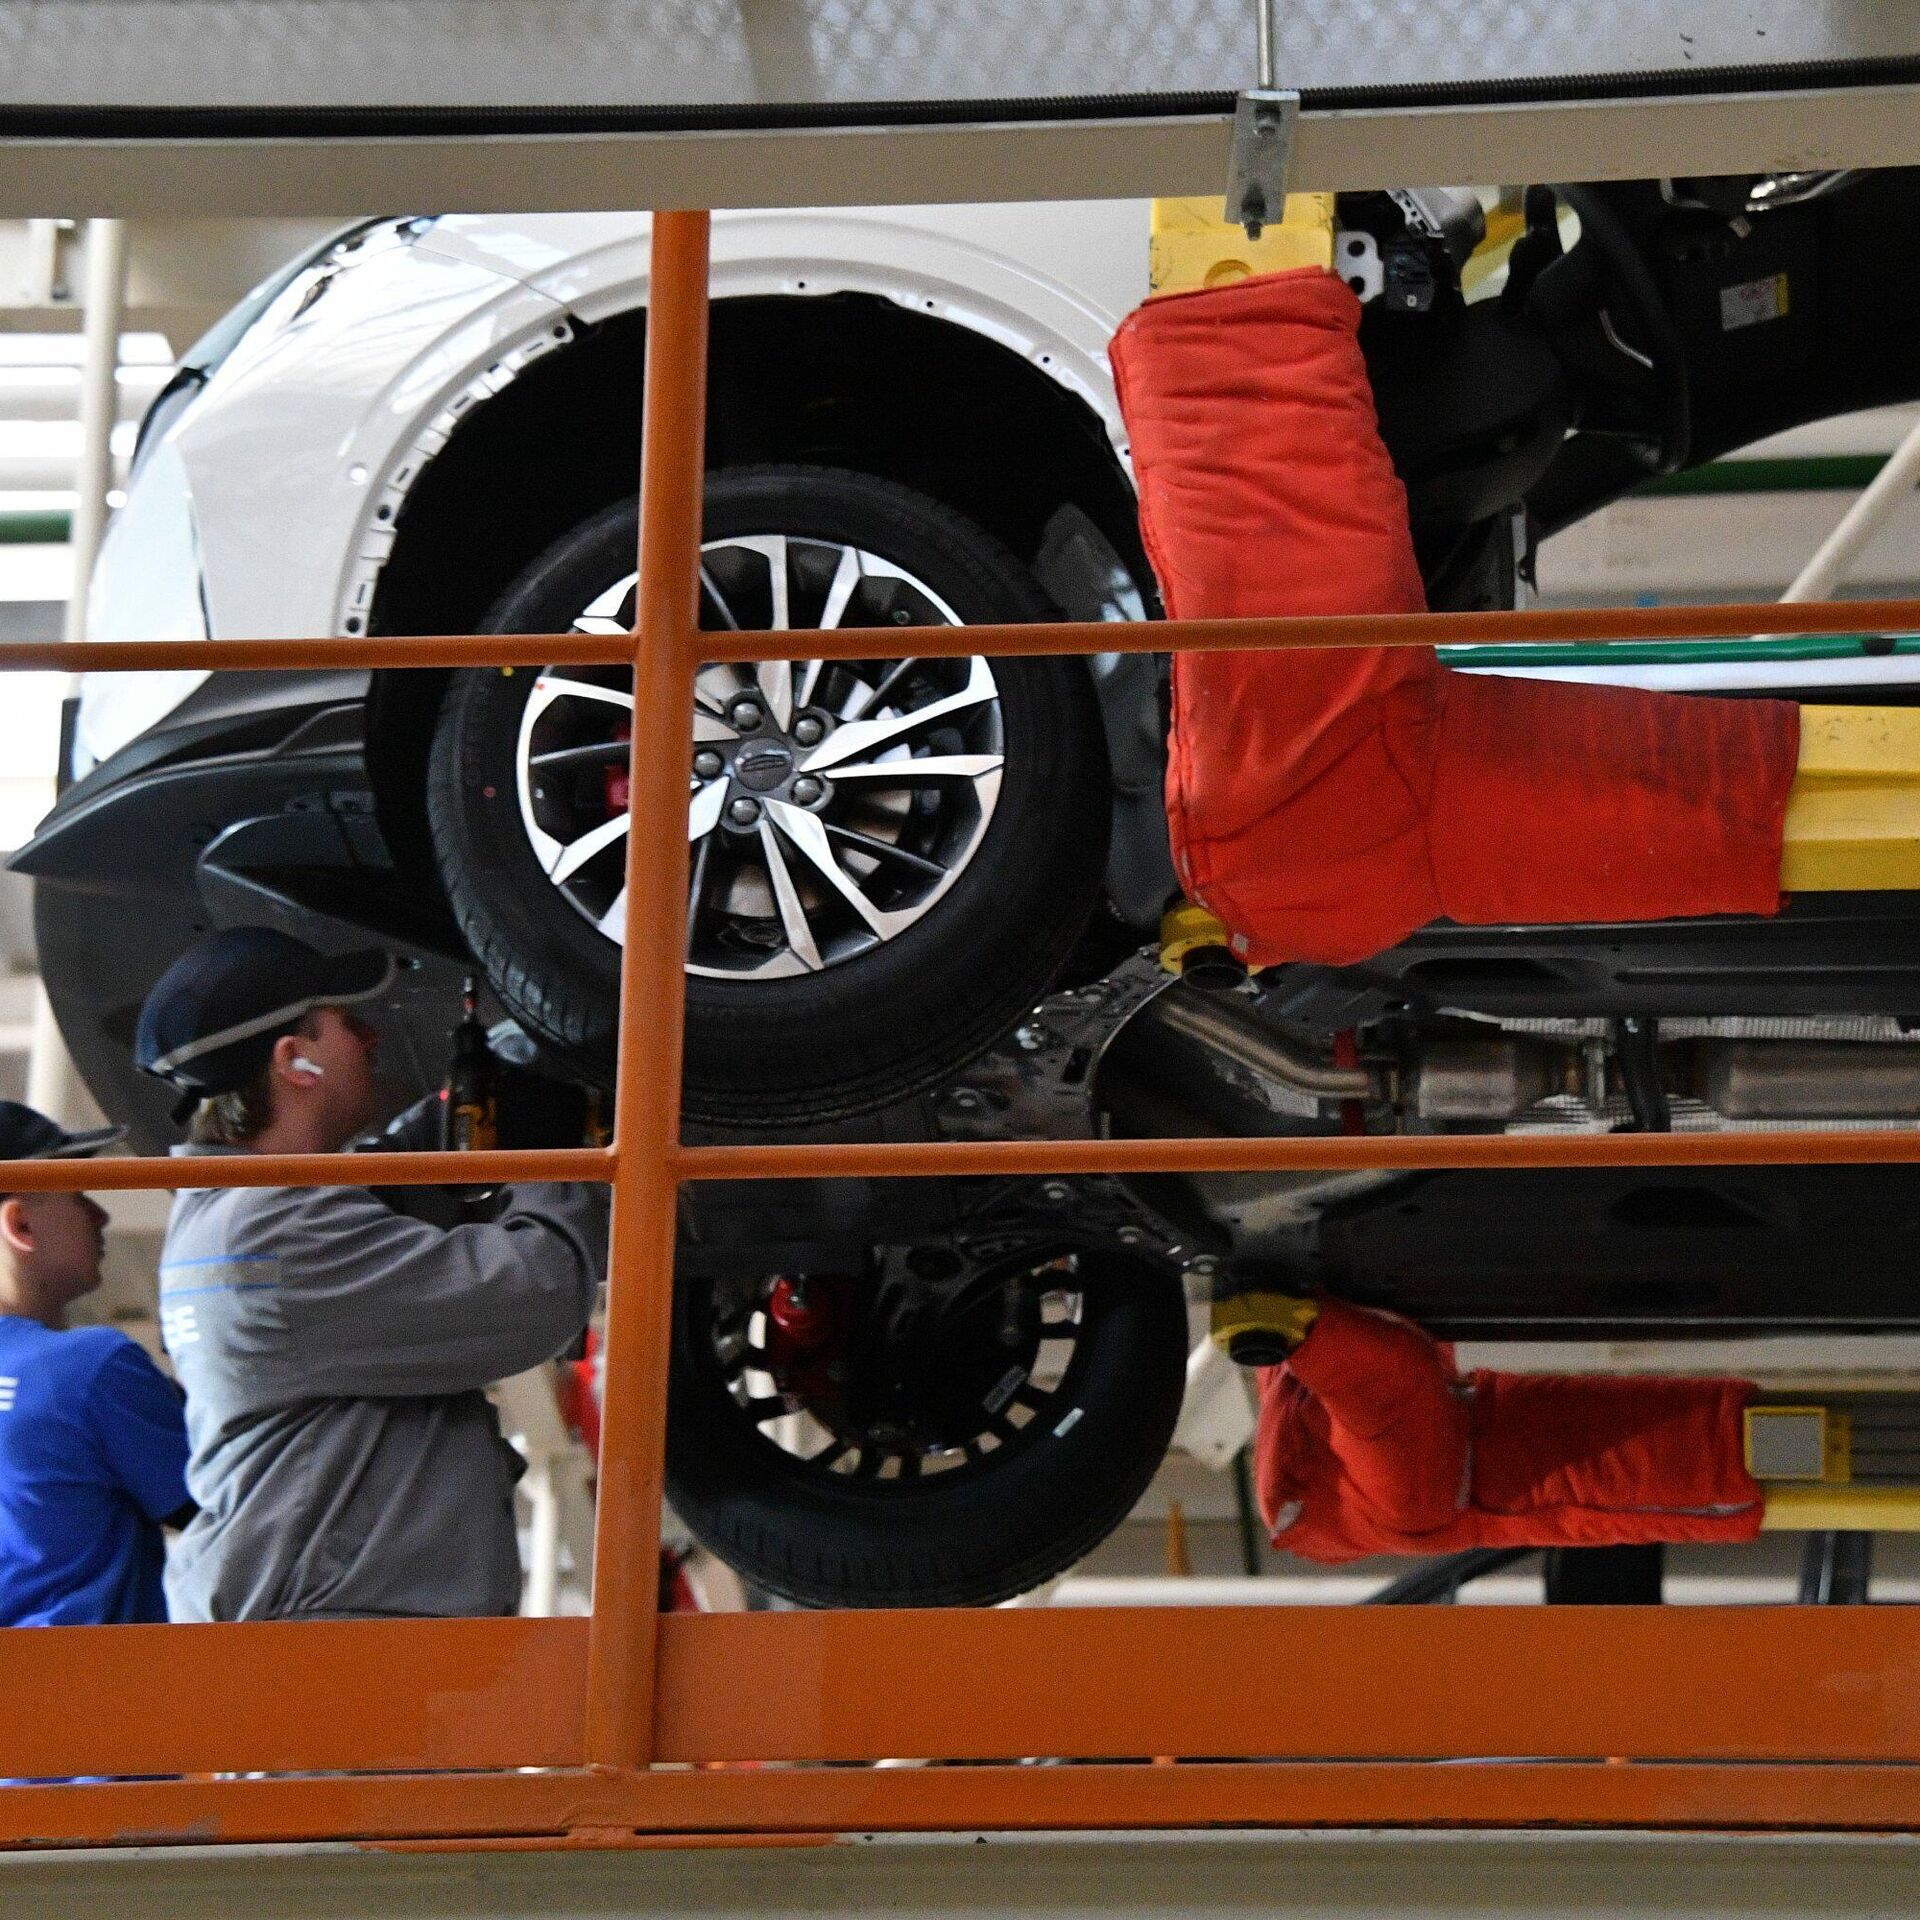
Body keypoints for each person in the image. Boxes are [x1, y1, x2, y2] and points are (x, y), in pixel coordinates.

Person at [134, 926, 608, 1622]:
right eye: (349, 1025)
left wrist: (502, 1069)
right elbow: (534, 1295)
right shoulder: (276, 1233)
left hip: (318, 1622)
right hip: (330, 1640)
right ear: (297, 1062)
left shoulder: (233, 1216)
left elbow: (395, 1173)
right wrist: (549, 1161)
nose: (373, 1038)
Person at [1215, 1290, 1764, 1563]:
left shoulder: (1383, 1477)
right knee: (1743, 1455)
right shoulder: (1396, 1490)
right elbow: (1389, 1382)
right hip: (1705, 1465)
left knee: (1733, 1450)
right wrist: (1300, 1330)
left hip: (1683, 1456)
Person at [0, 1101, 191, 1626]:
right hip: (90, 1694)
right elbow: (215, 1508)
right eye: (79, 1193)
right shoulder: (89, 1369)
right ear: (21, 1224)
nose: (100, 1215)